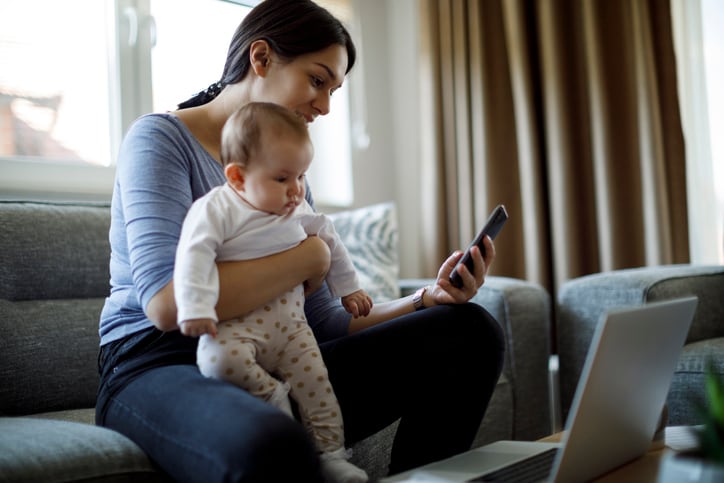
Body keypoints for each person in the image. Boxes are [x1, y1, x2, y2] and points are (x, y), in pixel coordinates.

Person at [96, 0, 505, 482]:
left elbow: (326, 324)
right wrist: (307, 257)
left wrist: (424, 300)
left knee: (468, 330)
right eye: (317, 81)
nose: (326, 106)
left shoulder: (287, 176)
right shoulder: (160, 140)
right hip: (161, 362)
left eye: (333, 90)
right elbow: (167, 304)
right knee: (272, 441)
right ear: (262, 58)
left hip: (273, 350)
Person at [174, 101, 371, 482]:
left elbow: (329, 237)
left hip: (293, 328)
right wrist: (196, 305)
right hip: (236, 326)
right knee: (216, 362)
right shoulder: (216, 209)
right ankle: (271, 396)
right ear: (237, 177)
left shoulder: (294, 210)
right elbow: (193, 254)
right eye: (283, 179)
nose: (297, 190)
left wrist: (349, 289)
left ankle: (331, 455)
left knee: (318, 387)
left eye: (301, 177)